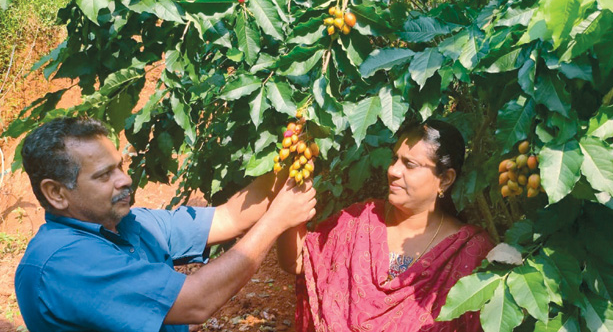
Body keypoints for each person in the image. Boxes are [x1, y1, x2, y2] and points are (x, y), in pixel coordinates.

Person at [14, 116, 317, 332]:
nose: (125, 179)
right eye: (104, 175)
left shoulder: (128, 224)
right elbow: (196, 302)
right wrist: (277, 220)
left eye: (120, 166)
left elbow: (228, 218)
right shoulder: (62, 264)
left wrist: (289, 163)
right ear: (56, 193)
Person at [277, 119, 494, 331]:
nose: (393, 171)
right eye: (394, 159)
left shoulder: (468, 252)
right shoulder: (362, 220)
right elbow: (298, 261)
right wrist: (296, 186)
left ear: (445, 179)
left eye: (409, 164)